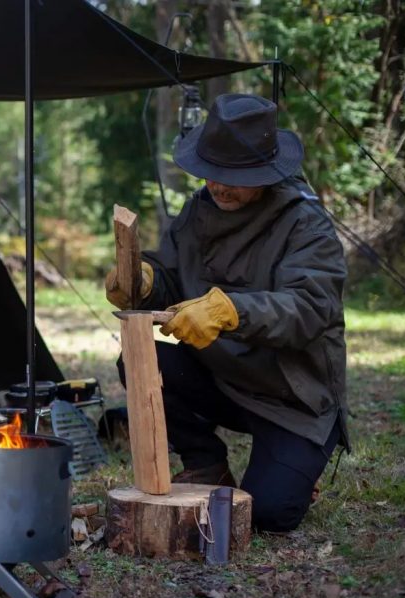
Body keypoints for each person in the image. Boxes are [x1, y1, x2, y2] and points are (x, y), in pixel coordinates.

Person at [105, 93, 349, 533]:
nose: (218, 186)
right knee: (143, 361)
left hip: (291, 395)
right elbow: (172, 276)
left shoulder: (306, 223)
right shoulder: (200, 209)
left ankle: (296, 467)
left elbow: (311, 308)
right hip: (222, 380)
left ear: (267, 174)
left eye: (234, 177)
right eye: (211, 173)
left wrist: (230, 310)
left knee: (270, 514)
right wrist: (142, 282)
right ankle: (206, 463)